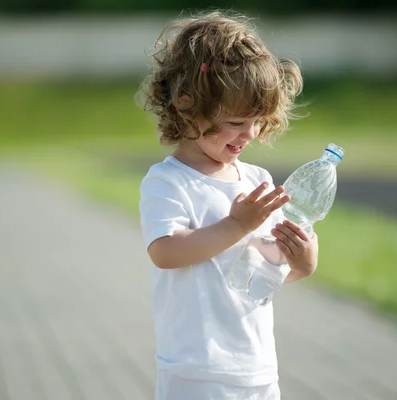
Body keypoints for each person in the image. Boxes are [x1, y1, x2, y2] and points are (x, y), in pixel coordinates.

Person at [137, 10, 319, 400]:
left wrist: (302, 259)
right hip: (196, 370)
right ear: (186, 106)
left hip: (256, 369)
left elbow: (263, 273)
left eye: (258, 121)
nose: (249, 134)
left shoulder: (257, 181)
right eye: (237, 122)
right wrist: (236, 225)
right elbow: (166, 252)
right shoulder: (168, 181)